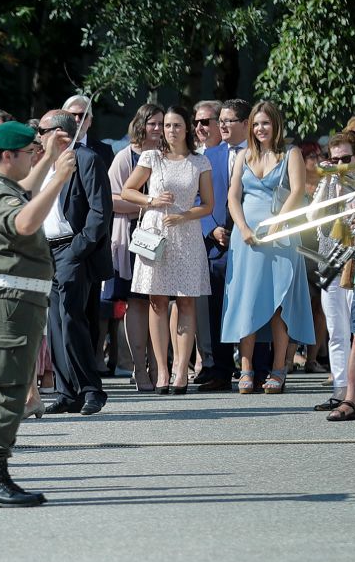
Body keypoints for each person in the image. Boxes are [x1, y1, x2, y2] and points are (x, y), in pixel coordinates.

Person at [0, 121, 77, 507]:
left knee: (12, 388)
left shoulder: (5, 187)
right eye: (29, 152)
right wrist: (59, 177)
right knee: (8, 390)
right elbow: (26, 220)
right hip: (7, 304)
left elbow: (25, 190)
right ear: (9, 156)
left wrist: (48, 157)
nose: (34, 157)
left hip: (17, 302)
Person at [120, 103, 215, 392]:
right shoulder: (151, 157)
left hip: (186, 233)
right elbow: (127, 190)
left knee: (186, 301)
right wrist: (151, 200)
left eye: (176, 125)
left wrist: (186, 214)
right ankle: (161, 369)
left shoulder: (200, 162)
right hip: (156, 230)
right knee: (157, 301)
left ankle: (181, 369)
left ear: (187, 128)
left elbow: (208, 205)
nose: (170, 130)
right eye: (166, 126)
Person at [221, 99, 314, 393]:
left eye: (266, 123)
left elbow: (298, 190)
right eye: (257, 123)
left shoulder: (290, 153)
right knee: (247, 299)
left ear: (276, 125)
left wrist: (278, 223)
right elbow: (233, 197)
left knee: (279, 304)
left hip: (281, 237)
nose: (261, 128)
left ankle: (278, 369)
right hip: (247, 239)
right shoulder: (243, 156)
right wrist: (244, 228)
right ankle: (246, 368)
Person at [37, 108, 116, 414]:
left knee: (71, 317)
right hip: (46, 251)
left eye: (42, 131)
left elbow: (100, 211)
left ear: (60, 134)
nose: (38, 137)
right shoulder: (43, 165)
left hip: (72, 248)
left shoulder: (86, 159)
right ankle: (67, 391)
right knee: (55, 323)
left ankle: (92, 389)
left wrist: (78, 247)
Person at [310, 131, 355, 418]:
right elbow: (313, 217)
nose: (339, 164)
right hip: (330, 256)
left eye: (345, 159)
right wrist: (327, 185)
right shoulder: (328, 183)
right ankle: (340, 389)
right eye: (333, 159)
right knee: (336, 330)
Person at [108, 104, 163, 389]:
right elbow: (112, 199)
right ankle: (138, 368)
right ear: (141, 124)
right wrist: (148, 205)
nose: (157, 129)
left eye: (161, 124)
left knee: (160, 301)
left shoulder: (169, 156)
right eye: (152, 123)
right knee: (137, 302)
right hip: (133, 235)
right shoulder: (125, 157)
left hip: (165, 234)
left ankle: (160, 367)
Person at [194, 100, 239, 391]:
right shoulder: (209, 156)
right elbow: (198, 200)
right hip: (218, 243)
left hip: (250, 239)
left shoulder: (259, 155)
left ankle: (259, 369)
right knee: (217, 310)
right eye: (217, 121)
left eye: (226, 120)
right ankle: (221, 371)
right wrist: (212, 230)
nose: (220, 126)